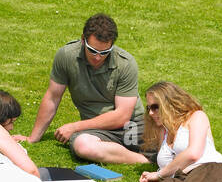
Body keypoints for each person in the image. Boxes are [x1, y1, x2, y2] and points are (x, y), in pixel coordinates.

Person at [16, 12, 149, 165]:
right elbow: (53, 97)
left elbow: (122, 116)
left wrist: (75, 127)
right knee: (83, 145)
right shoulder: (66, 56)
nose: (98, 57)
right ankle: (142, 160)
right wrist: (33, 138)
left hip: (132, 125)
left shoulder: (126, 63)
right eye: (92, 50)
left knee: (170, 142)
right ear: (82, 40)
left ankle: (121, 151)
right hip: (97, 130)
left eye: (105, 52)